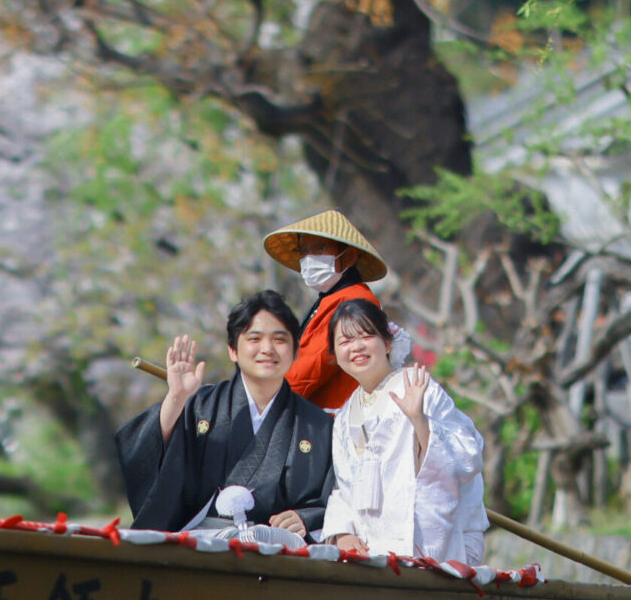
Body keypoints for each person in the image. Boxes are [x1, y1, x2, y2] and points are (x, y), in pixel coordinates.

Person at [116, 291, 333, 539]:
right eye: (254, 338)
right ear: (233, 350)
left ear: (295, 352)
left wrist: (305, 517)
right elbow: (145, 450)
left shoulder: (318, 426)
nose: (267, 349)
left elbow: (338, 498)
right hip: (197, 545)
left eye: (280, 340)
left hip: (276, 549)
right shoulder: (200, 406)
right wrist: (176, 398)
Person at [319, 299, 489, 565]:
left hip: (420, 546)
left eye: (366, 336)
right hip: (368, 551)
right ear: (335, 353)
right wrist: (342, 533)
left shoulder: (419, 388)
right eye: (345, 341)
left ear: (387, 343)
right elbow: (344, 487)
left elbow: (467, 458)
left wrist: (419, 419)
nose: (357, 347)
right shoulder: (344, 416)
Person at [261, 210, 387, 411]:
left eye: (320, 249)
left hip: (332, 420)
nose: (309, 258)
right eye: (304, 251)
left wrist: (258, 396)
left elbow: (305, 373)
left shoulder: (352, 301)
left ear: (349, 256)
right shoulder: (333, 299)